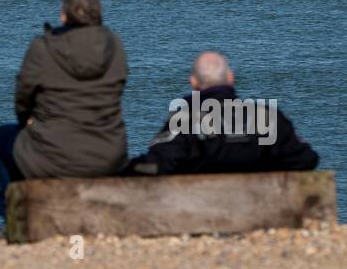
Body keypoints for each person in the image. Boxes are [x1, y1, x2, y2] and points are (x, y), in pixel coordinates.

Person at [0, 0, 128, 216]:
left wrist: (27, 122)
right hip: (107, 155)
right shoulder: (115, 46)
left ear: (63, 15)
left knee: (1, 138)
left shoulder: (42, 48)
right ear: (99, 11)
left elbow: (23, 98)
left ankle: (13, 214)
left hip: (52, 157)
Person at [127, 50, 318, 175]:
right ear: (231, 78)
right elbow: (306, 159)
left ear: (193, 82)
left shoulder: (185, 121)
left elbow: (157, 165)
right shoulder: (267, 117)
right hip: (260, 213)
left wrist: (123, 168)